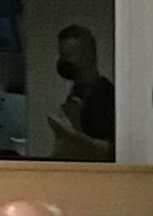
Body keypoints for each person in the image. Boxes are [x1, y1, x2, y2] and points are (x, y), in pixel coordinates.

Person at [49, 25, 115, 161]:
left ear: (88, 57)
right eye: (62, 56)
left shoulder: (104, 96)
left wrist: (74, 135)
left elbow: (111, 151)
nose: (63, 63)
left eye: (68, 56)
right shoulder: (77, 93)